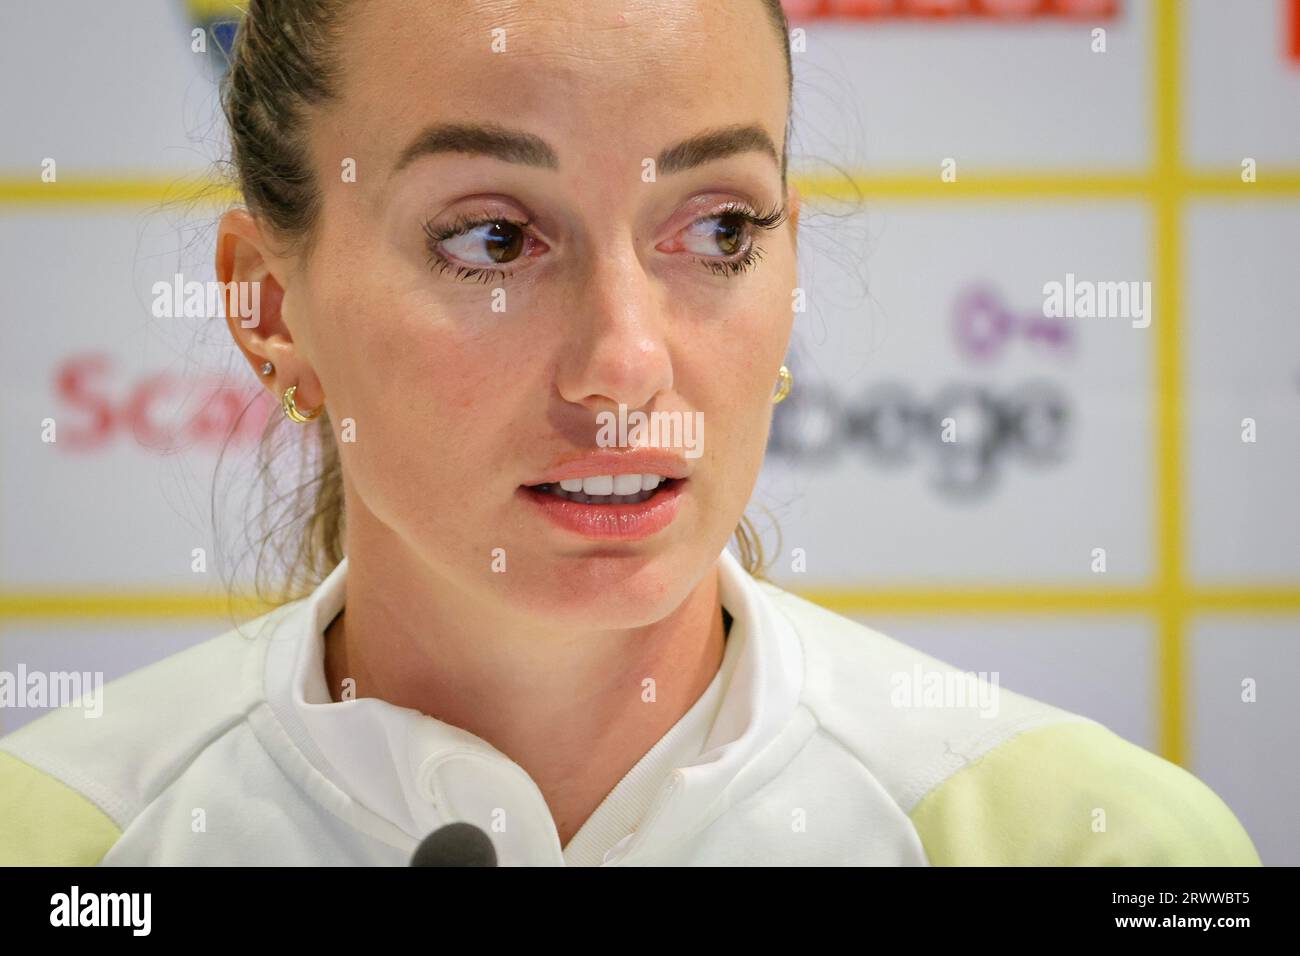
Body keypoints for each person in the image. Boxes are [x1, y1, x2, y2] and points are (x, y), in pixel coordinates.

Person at [0, 0, 1260, 866]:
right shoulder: (60, 839)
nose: (626, 363)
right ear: (271, 308)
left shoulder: (1088, 841)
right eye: (492, 238)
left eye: (719, 230)